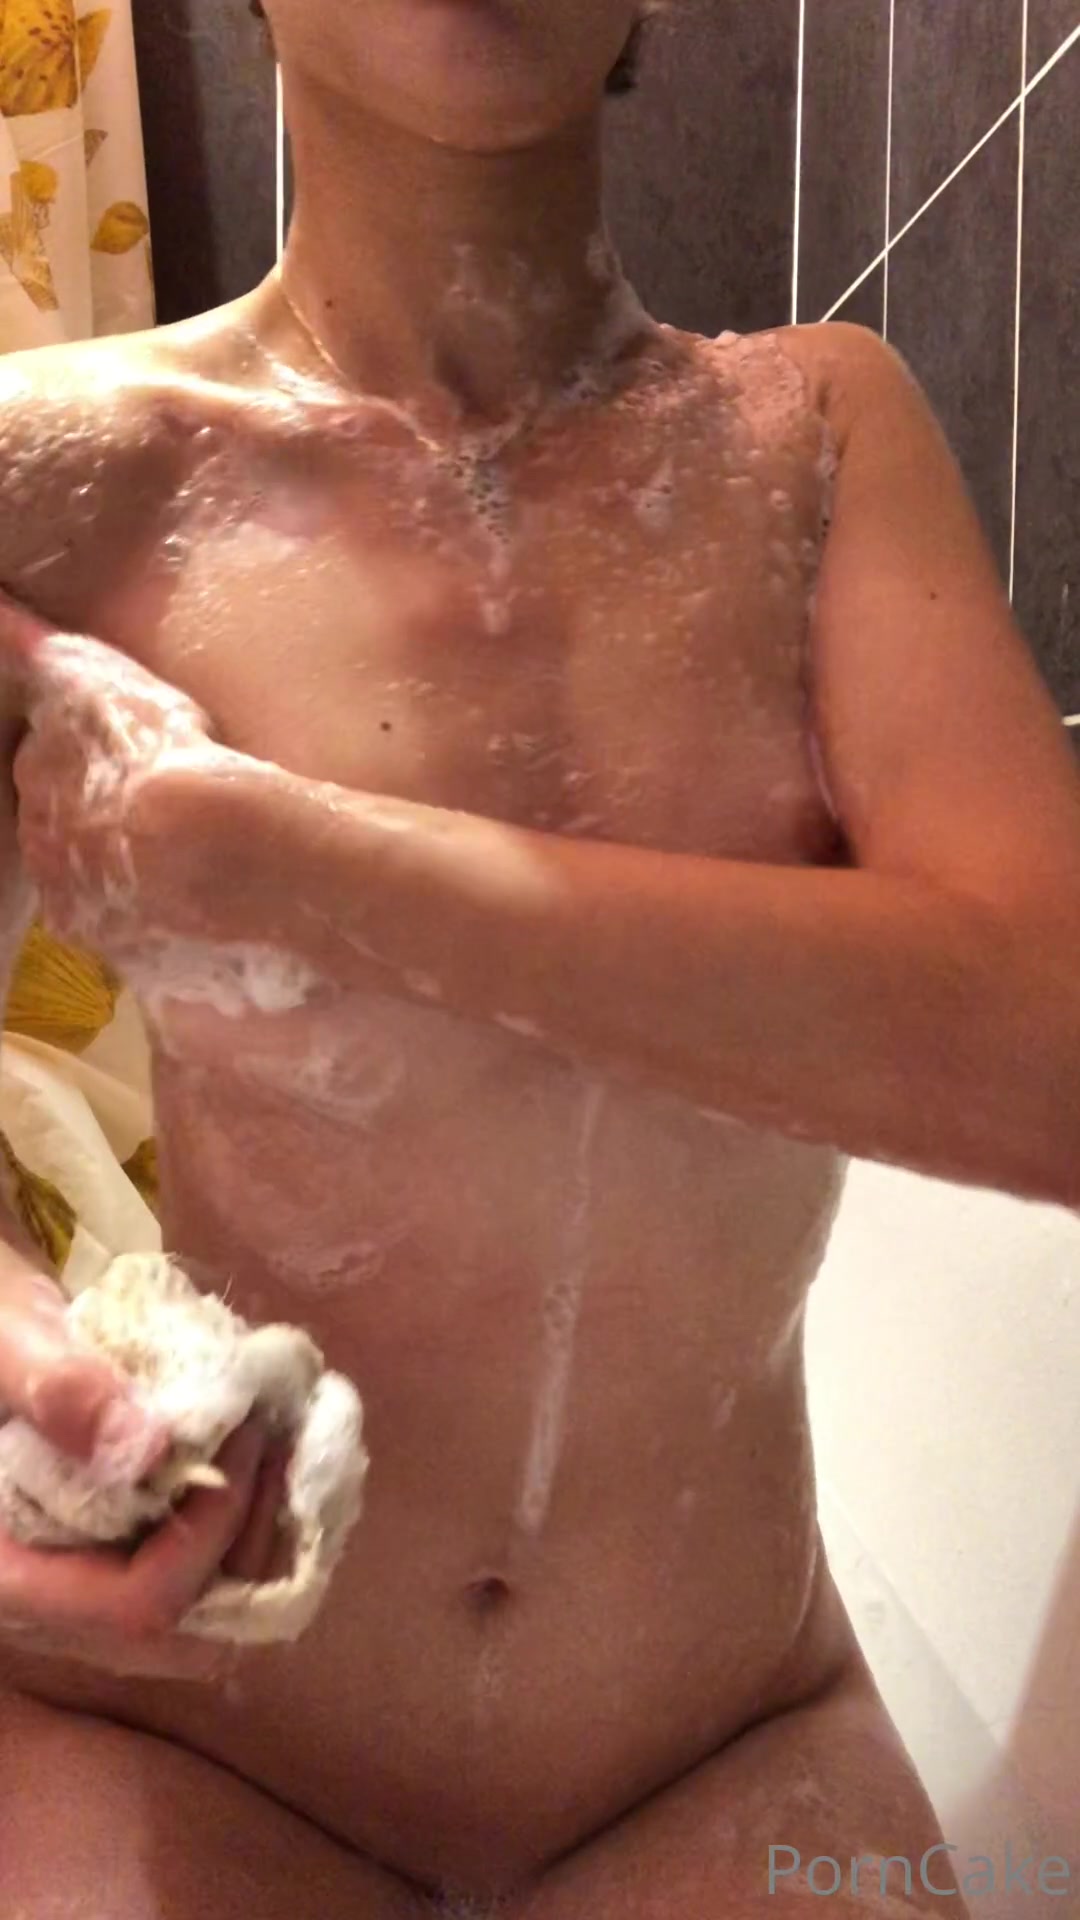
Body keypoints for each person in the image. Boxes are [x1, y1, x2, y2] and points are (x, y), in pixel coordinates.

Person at [0, 2, 1078, 1913]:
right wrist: (20, 1371)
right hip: (194, 1737)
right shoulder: (53, 470)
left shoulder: (820, 436)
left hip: (722, 1746)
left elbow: (1053, 1059)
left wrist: (276, 859)